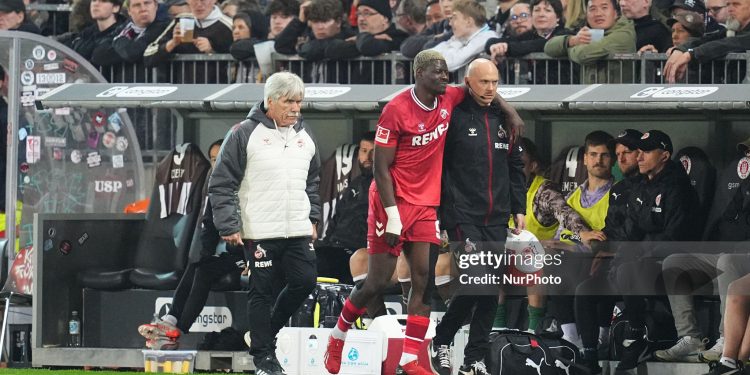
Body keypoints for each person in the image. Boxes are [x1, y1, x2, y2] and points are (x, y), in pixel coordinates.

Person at [323, 50, 523, 375]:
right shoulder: (396, 109)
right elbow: (380, 168)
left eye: (447, 72)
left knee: (423, 281)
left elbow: (483, 88)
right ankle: (337, 336)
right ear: (419, 74)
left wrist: (510, 112)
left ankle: (411, 358)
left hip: (425, 205)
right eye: (438, 72)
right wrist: (393, 214)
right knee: (375, 282)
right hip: (391, 201)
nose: (445, 77)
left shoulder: (449, 98)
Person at [209, 72, 321, 375]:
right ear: (270, 101)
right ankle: (263, 357)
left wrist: (313, 218)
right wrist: (229, 225)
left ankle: (262, 335)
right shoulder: (244, 133)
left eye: (299, 102)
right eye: (288, 102)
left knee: (305, 282)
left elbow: (312, 181)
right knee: (261, 291)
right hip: (259, 230)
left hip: (297, 228)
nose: (295, 108)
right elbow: (221, 183)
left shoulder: (305, 133)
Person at [428, 58, 526, 375]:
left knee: (490, 290)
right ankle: (442, 339)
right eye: (484, 82)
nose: (490, 89)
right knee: (478, 283)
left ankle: (475, 359)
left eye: (495, 83)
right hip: (462, 216)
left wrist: (519, 207)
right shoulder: (452, 117)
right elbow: (438, 169)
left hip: (497, 217)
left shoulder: (504, 119)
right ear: (468, 82)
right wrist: (441, 215)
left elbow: (515, 168)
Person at [137, 139, 246, 351]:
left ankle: (174, 329)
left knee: (204, 267)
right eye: (214, 160)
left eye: (221, 158)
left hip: (253, 252)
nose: (217, 164)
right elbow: (209, 224)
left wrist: (251, 258)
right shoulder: (217, 187)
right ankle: (171, 322)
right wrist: (205, 254)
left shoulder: (246, 184)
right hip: (232, 254)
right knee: (198, 265)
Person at [611, 130, 700, 372]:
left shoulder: (677, 186)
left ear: (665, 156)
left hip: (680, 262)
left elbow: (676, 237)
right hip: (647, 260)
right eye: (638, 151)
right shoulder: (643, 185)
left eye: (647, 151)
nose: (639, 157)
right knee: (594, 280)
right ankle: (589, 350)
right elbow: (632, 230)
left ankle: (636, 336)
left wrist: (640, 250)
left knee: (629, 270)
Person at [315, 133, 376, 285]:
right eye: (363, 150)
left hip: (358, 251)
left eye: (373, 151)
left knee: (316, 263)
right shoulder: (355, 184)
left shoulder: (386, 184)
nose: (367, 157)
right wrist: (328, 242)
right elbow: (336, 219)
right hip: (334, 247)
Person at [544, 0, 636, 83]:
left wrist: (569, 49)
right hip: (589, 98)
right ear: (586, 14)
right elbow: (548, 47)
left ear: (616, 13)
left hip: (616, 99)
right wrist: (572, 40)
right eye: (592, 9)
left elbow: (583, 55)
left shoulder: (624, 35)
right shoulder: (588, 32)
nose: (598, 13)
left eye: (604, 8)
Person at [485, 0, 573, 84]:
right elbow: (492, 42)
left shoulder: (565, 34)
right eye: (537, 10)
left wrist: (507, 48)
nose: (541, 15)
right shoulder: (529, 35)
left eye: (547, 10)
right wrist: (494, 47)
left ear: (557, 17)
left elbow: (541, 44)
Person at [143, 0, 233, 82]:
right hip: (182, 94)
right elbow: (148, 56)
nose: (198, 4)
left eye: (203, 0)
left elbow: (240, 60)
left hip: (216, 92)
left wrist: (212, 51)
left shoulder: (229, 26)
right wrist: (173, 43)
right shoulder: (181, 20)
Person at [663, 0, 750, 83]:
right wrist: (680, 49)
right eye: (728, 4)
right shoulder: (732, 30)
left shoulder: (739, 35)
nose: (730, 9)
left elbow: (730, 43)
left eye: (736, 4)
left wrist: (691, 54)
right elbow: (705, 40)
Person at [90, 0, 170, 67]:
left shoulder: (165, 27)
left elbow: (133, 53)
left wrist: (118, 40)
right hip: (123, 85)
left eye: (147, 3)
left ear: (155, 6)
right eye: (137, 5)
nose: (143, 9)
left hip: (153, 84)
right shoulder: (124, 28)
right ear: (129, 11)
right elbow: (97, 55)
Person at [429, 0, 497, 73]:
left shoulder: (486, 37)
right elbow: (427, 56)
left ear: (468, 22)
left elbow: (449, 63)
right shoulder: (462, 37)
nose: (450, 23)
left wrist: (457, 43)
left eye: (454, 18)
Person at [60, 0, 126, 61]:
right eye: (94, 0)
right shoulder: (86, 33)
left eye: (103, 1)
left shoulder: (124, 32)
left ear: (116, 7)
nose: (96, 4)